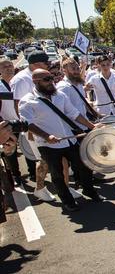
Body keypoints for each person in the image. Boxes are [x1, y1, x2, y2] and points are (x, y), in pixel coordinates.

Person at [19, 69, 103, 212]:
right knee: (57, 174)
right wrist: (47, 136)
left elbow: (74, 114)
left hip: (68, 140)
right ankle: (67, 201)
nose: (51, 82)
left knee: (83, 165)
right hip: (47, 145)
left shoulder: (60, 95)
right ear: (36, 82)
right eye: (46, 79)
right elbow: (28, 124)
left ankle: (89, 190)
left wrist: (92, 126)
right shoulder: (27, 101)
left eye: (52, 78)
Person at [11, 51, 51, 198]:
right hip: (34, 128)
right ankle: (40, 188)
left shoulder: (40, 75)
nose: (48, 65)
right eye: (45, 62)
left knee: (53, 158)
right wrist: (27, 129)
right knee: (43, 158)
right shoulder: (22, 79)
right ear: (34, 64)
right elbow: (18, 106)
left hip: (46, 124)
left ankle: (62, 186)